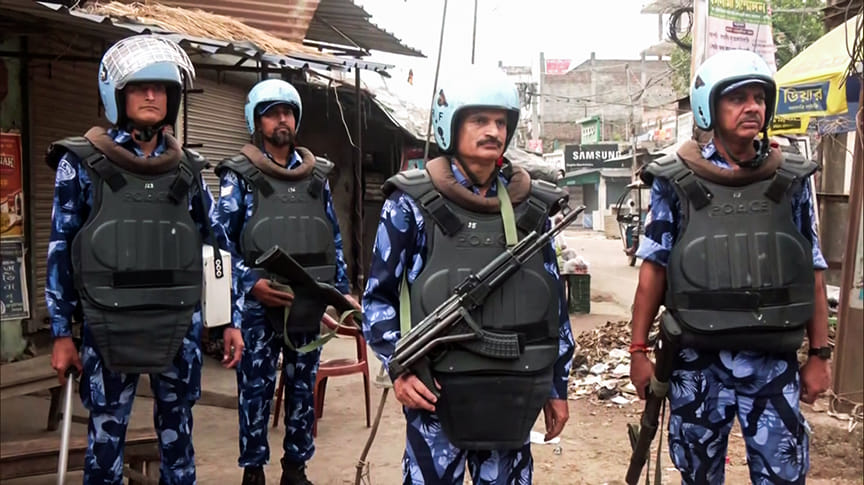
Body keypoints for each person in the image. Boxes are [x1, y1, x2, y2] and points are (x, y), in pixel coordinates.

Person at [46, 35, 243, 485]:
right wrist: (61, 333)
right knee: (104, 446)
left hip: (177, 328)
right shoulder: (81, 164)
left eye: (160, 87)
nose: (152, 95)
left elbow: (216, 250)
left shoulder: (189, 170)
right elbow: (61, 248)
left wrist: (226, 319)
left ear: (172, 97)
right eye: (139, 87)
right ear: (118, 95)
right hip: (108, 325)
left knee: (179, 447)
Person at [362, 66, 574, 484]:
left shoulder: (533, 209)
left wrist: (557, 387)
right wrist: (399, 368)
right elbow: (377, 299)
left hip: (513, 392)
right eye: (479, 120)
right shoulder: (411, 204)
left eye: (500, 122)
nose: (492, 130)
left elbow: (554, 308)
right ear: (451, 124)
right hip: (436, 394)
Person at [629, 49, 832, 484]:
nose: (752, 107)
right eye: (737, 98)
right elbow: (654, 270)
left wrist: (819, 353)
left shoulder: (792, 178)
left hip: (774, 360)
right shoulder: (675, 179)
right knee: (698, 476)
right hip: (697, 364)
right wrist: (638, 351)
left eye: (759, 97)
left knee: (783, 474)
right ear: (710, 106)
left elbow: (811, 268)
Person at [214, 78, 353, 485]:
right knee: (254, 392)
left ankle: (295, 469)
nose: (282, 119)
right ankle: (253, 471)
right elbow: (220, 246)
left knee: (301, 388)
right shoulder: (238, 175)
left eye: (288, 112)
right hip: (258, 306)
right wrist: (248, 283)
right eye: (273, 112)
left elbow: (332, 237)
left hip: (305, 303)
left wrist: (340, 293)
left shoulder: (316, 176)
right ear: (257, 122)